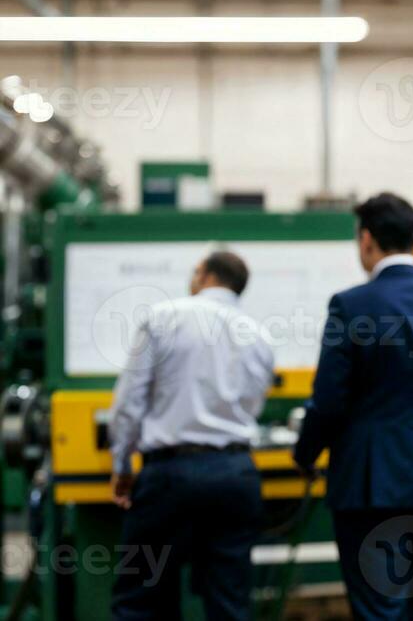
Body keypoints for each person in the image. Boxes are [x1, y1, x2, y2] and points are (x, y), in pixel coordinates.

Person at [294, 192, 413, 620]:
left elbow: (328, 401)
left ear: (366, 240)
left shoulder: (351, 306)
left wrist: (306, 454)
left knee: (378, 607)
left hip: (368, 484)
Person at [108, 250, 275, 620]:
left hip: (170, 478)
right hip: (235, 475)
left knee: (141, 598)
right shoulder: (260, 336)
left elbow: (129, 404)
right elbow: (252, 406)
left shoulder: (164, 318)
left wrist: (121, 466)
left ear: (204, 275)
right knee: (229, 601)